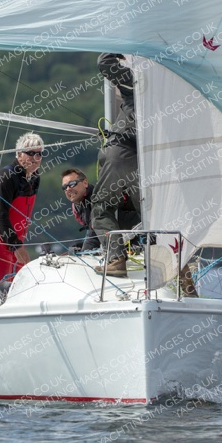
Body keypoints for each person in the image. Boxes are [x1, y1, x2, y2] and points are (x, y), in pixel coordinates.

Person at [91, 53, 141, 277]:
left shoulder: (138, 83)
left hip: (120, 153)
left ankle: (116, 259)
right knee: (154, 214)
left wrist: (117, 49)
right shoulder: (171, 95)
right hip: (147, 162)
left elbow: (104, 63)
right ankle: (181, 276)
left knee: (101, 207)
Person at [0, 132, 43, 283]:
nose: (35, 158)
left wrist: (16, 243)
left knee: (20, 283)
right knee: (0, 285)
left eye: (39, 154)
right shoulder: (6, 177)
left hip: (14, 238)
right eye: (30, 153)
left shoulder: (35, 177)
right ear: (19, 154)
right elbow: (1, 215)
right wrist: (15, 245)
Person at [62, 167, 139, 252]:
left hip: (139, 234)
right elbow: (93, 232)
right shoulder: (77, 207)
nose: (68, 189)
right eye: (64, 187)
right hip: (119, 239)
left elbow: (94, 232)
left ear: (85, 183)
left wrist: (85, 252)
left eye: (72, 184)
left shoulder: (100, 198)